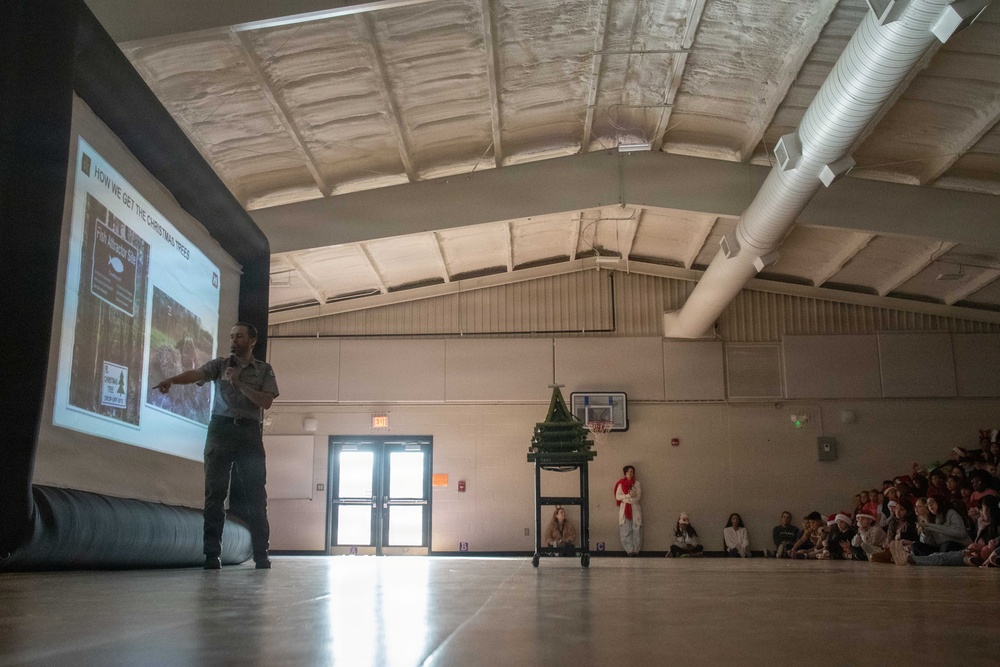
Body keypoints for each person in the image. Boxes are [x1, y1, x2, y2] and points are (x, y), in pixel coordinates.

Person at [155, 322, 279, 570]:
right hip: (220, 431)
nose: (234, 340)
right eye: (232, 336)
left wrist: (239, 384)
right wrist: (173, 379)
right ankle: (212, 554)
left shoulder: (264, 370)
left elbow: (266, 402)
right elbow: (197, 374)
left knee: (256, 497)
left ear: (252, 341)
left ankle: (261, 554)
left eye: (240, 336)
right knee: (214, 495)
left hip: (248, 433)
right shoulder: (220, 365)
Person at [614, 465, 642, 556]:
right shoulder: (621, 484)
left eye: (631, 472)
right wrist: (628, 496)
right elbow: (618, 497)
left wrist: (626, 499)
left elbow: (638, 497)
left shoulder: (637, 483)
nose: (630, 474)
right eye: (628, 472)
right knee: (625, 531)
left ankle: (636, 550)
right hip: (624, 510)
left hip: (635, 509)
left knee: (636, 529)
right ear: (625, 473)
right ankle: (629, 551)